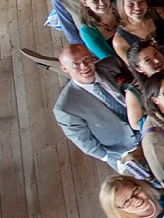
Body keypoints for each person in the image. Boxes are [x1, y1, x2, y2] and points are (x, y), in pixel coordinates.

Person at [53, 43, 139, 171]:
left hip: (148, 124)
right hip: (124, 150)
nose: (84, 66)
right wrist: (112, 157)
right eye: (75, 64)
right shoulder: (66, 107)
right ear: (65, 69)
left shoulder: (112, 64)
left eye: (87, 59)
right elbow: (85, 142)